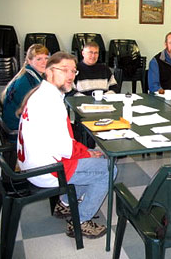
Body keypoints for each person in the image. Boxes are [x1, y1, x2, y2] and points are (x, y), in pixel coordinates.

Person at [17, 51, 117, 239]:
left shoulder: (41, 93)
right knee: (109, 168)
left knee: (95, 156)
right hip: (46, 170)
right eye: (64, 70)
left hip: (31, 164)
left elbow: (62, 143)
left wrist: (86, 152)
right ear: (48, 71)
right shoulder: (50, 102)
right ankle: (80, 220)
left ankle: (64, 204)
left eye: (73, 71)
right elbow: (64, 150)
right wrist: (87, 154)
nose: (70, 75)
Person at [2, 44, 49, 138]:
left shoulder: (29, 75)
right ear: (29, 61)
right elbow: (36, 111)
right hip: (16, 129)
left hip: (14, 122)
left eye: (46, 58)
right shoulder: (28, 82)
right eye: (39, 59)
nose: (44, 62)